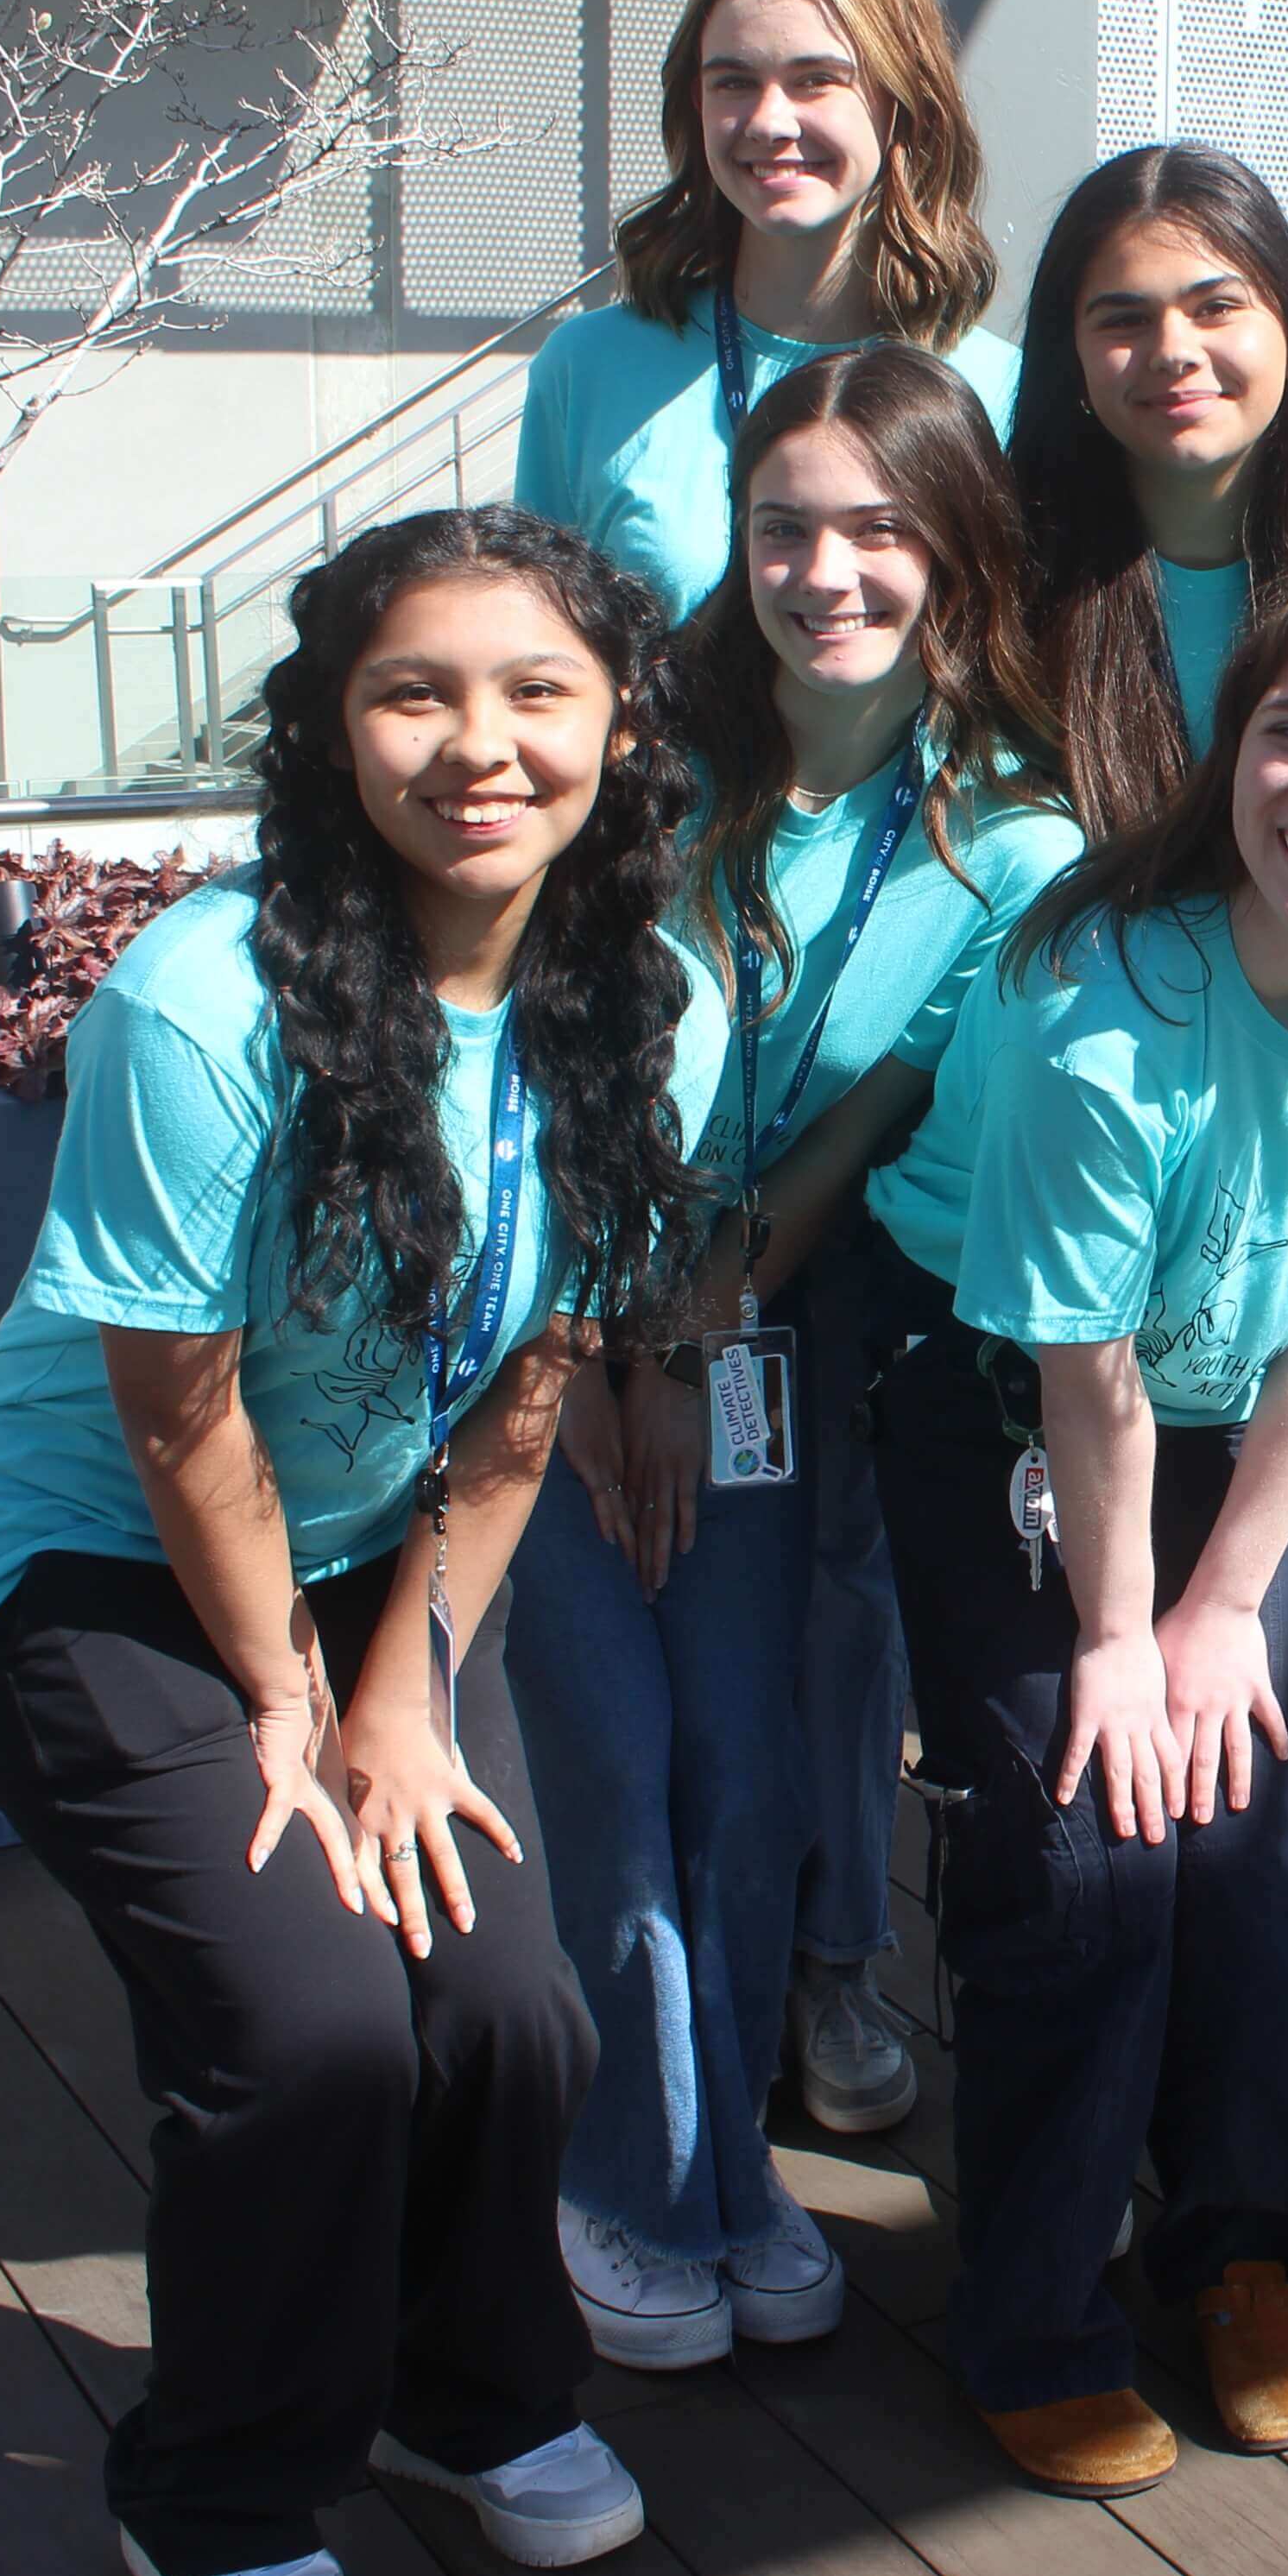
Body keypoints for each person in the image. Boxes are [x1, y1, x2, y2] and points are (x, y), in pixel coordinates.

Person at [0, 509, 724, 2576]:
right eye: (412, 689)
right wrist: (290, 1694)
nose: (481, 741)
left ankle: (464, 2393)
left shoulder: (655, 1006)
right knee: (311, 2033)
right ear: (331, 728)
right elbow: (176, 1416)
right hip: (97, 1556)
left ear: (620, 724)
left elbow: (529, 1381)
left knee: (506, 2008)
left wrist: (401, 1681)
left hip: (386, 1553)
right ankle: (215, 2488)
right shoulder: (200, 999)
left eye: (538, 688)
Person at [847, 575, 1288, 2497]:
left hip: (1240, 1433)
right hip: (1009, 1406)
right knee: (1084, 1860)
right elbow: (1089, 1388)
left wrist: (1225, 1608)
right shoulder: (1111, 1011)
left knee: (1249, 1840)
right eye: (1287, 736)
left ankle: (1248, 2249)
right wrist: (1112, 1636)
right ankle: (1035, 2314)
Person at [506, 347, 1083, 2369]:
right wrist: (601, 1336)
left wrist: (706, 1306)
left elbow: (879, 1103)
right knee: (609, 1758)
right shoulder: (630, 752)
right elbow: (537, 1055)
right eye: (783, 528)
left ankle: (726, 2168)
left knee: (740, 1761)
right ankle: (623, 2173)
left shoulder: (1012, 830)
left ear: (954, 549)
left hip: (742, 1322)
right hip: (540, 1329)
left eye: (875, 529)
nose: (824, 570)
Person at [515, 0, 1018, 623]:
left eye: (816, 81)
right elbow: (539, 655)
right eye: (733, 83)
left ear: (903, 103)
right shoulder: (589, 369)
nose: (769, 122)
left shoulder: (1002, 391)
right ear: (696, 103)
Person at [1010, 144, 1288, 806]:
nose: (1173, 352)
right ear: (1070, 361)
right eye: (1125, 320)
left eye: (1216, 308)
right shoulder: (1008, 579)